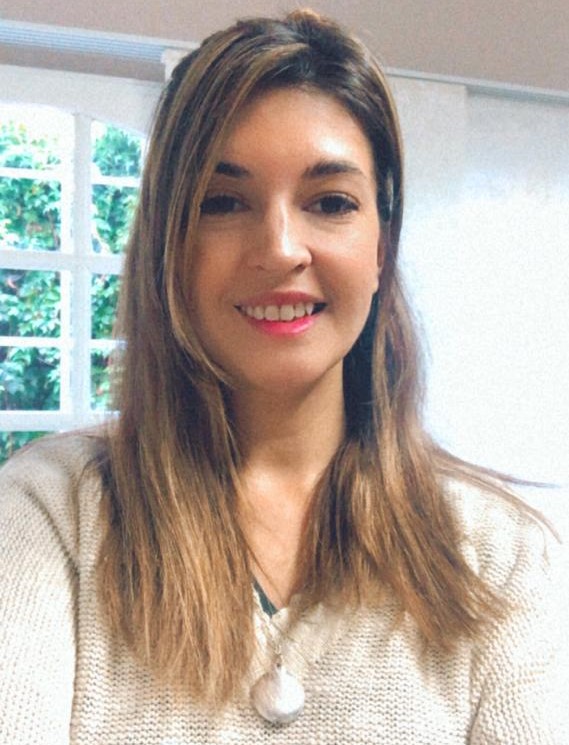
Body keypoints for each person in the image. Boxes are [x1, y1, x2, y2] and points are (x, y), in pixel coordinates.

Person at [0, 9, 565, 744]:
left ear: (381, 245)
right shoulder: (47, 517)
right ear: (168, 244)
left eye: (330, 202)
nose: (279, 248)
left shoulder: (500, 552)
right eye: (222, 202)